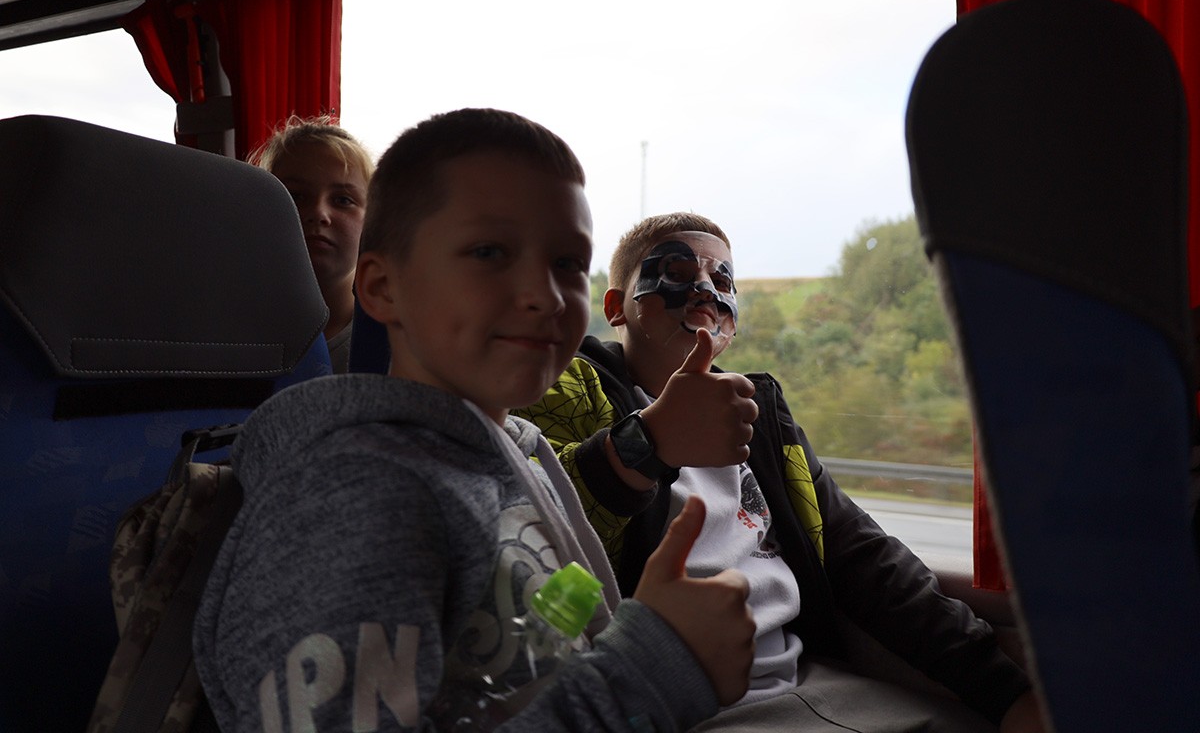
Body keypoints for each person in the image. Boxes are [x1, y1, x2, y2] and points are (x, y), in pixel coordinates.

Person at [193, 111, 756, 732]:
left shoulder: (522, 453)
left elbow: (534, 661)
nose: (544, 294)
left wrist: (637, 636)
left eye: (568, 263)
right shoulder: (348, 500)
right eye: (490, 252)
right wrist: (652, 669)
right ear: (382, 288)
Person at [515, 212, 1047, 732]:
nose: (706, 290)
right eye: (675, 273)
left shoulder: (762, 419)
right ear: (616, 307)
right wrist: (647, 442)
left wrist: (1006, 692)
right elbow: (529, 526)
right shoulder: (564, 388)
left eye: (723, 281)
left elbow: (860, 554)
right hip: (677, 704)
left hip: (809, 679)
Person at [250, 116, 374, 373]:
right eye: (295, 196)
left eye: (343, 200)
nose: (319, 213)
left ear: (372, 220)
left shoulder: (395, 342)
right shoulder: (232, 328)